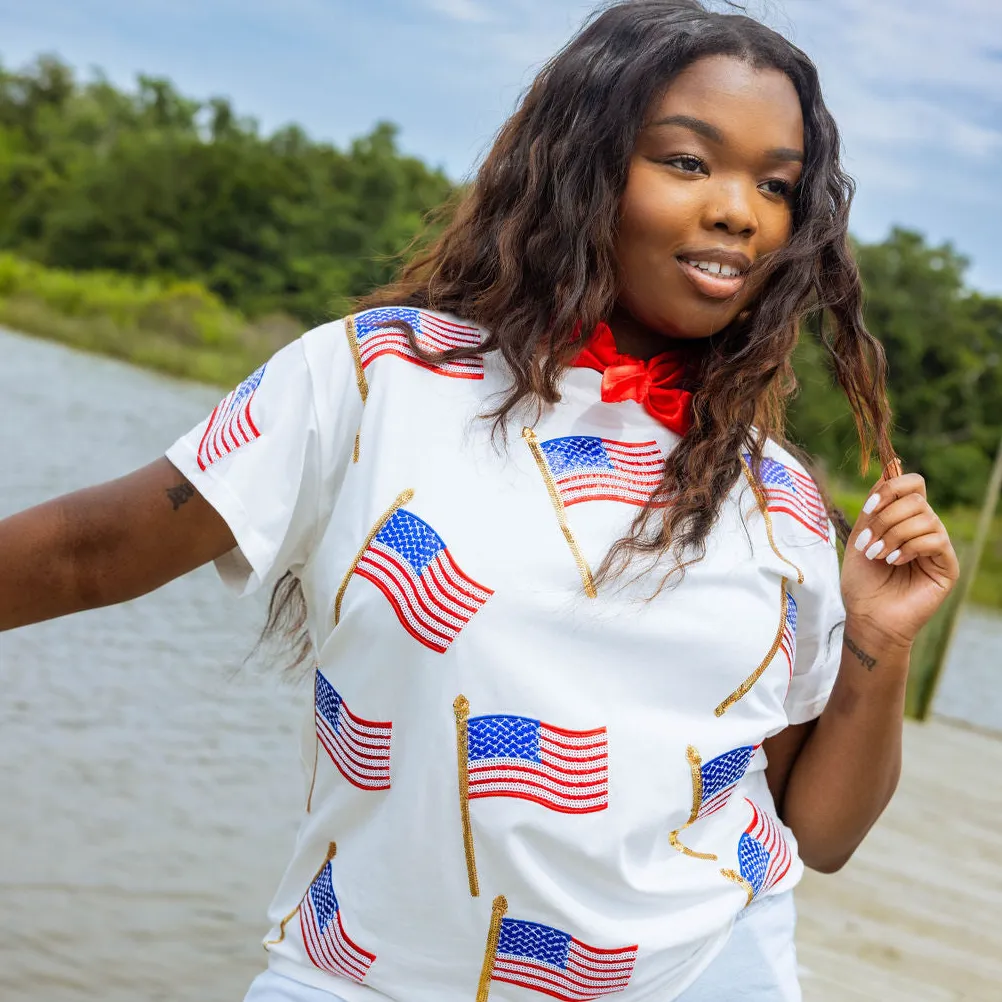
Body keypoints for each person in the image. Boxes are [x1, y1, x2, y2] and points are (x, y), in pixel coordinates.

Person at [0, 2, 960, 1000]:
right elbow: (85, 554)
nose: (739, 211)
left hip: (711, 972)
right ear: (586, 163)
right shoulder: (379, 380)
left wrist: (880, 643)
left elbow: (823, 833)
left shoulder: (780, 497)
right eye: (687, 162)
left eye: (776, 185)